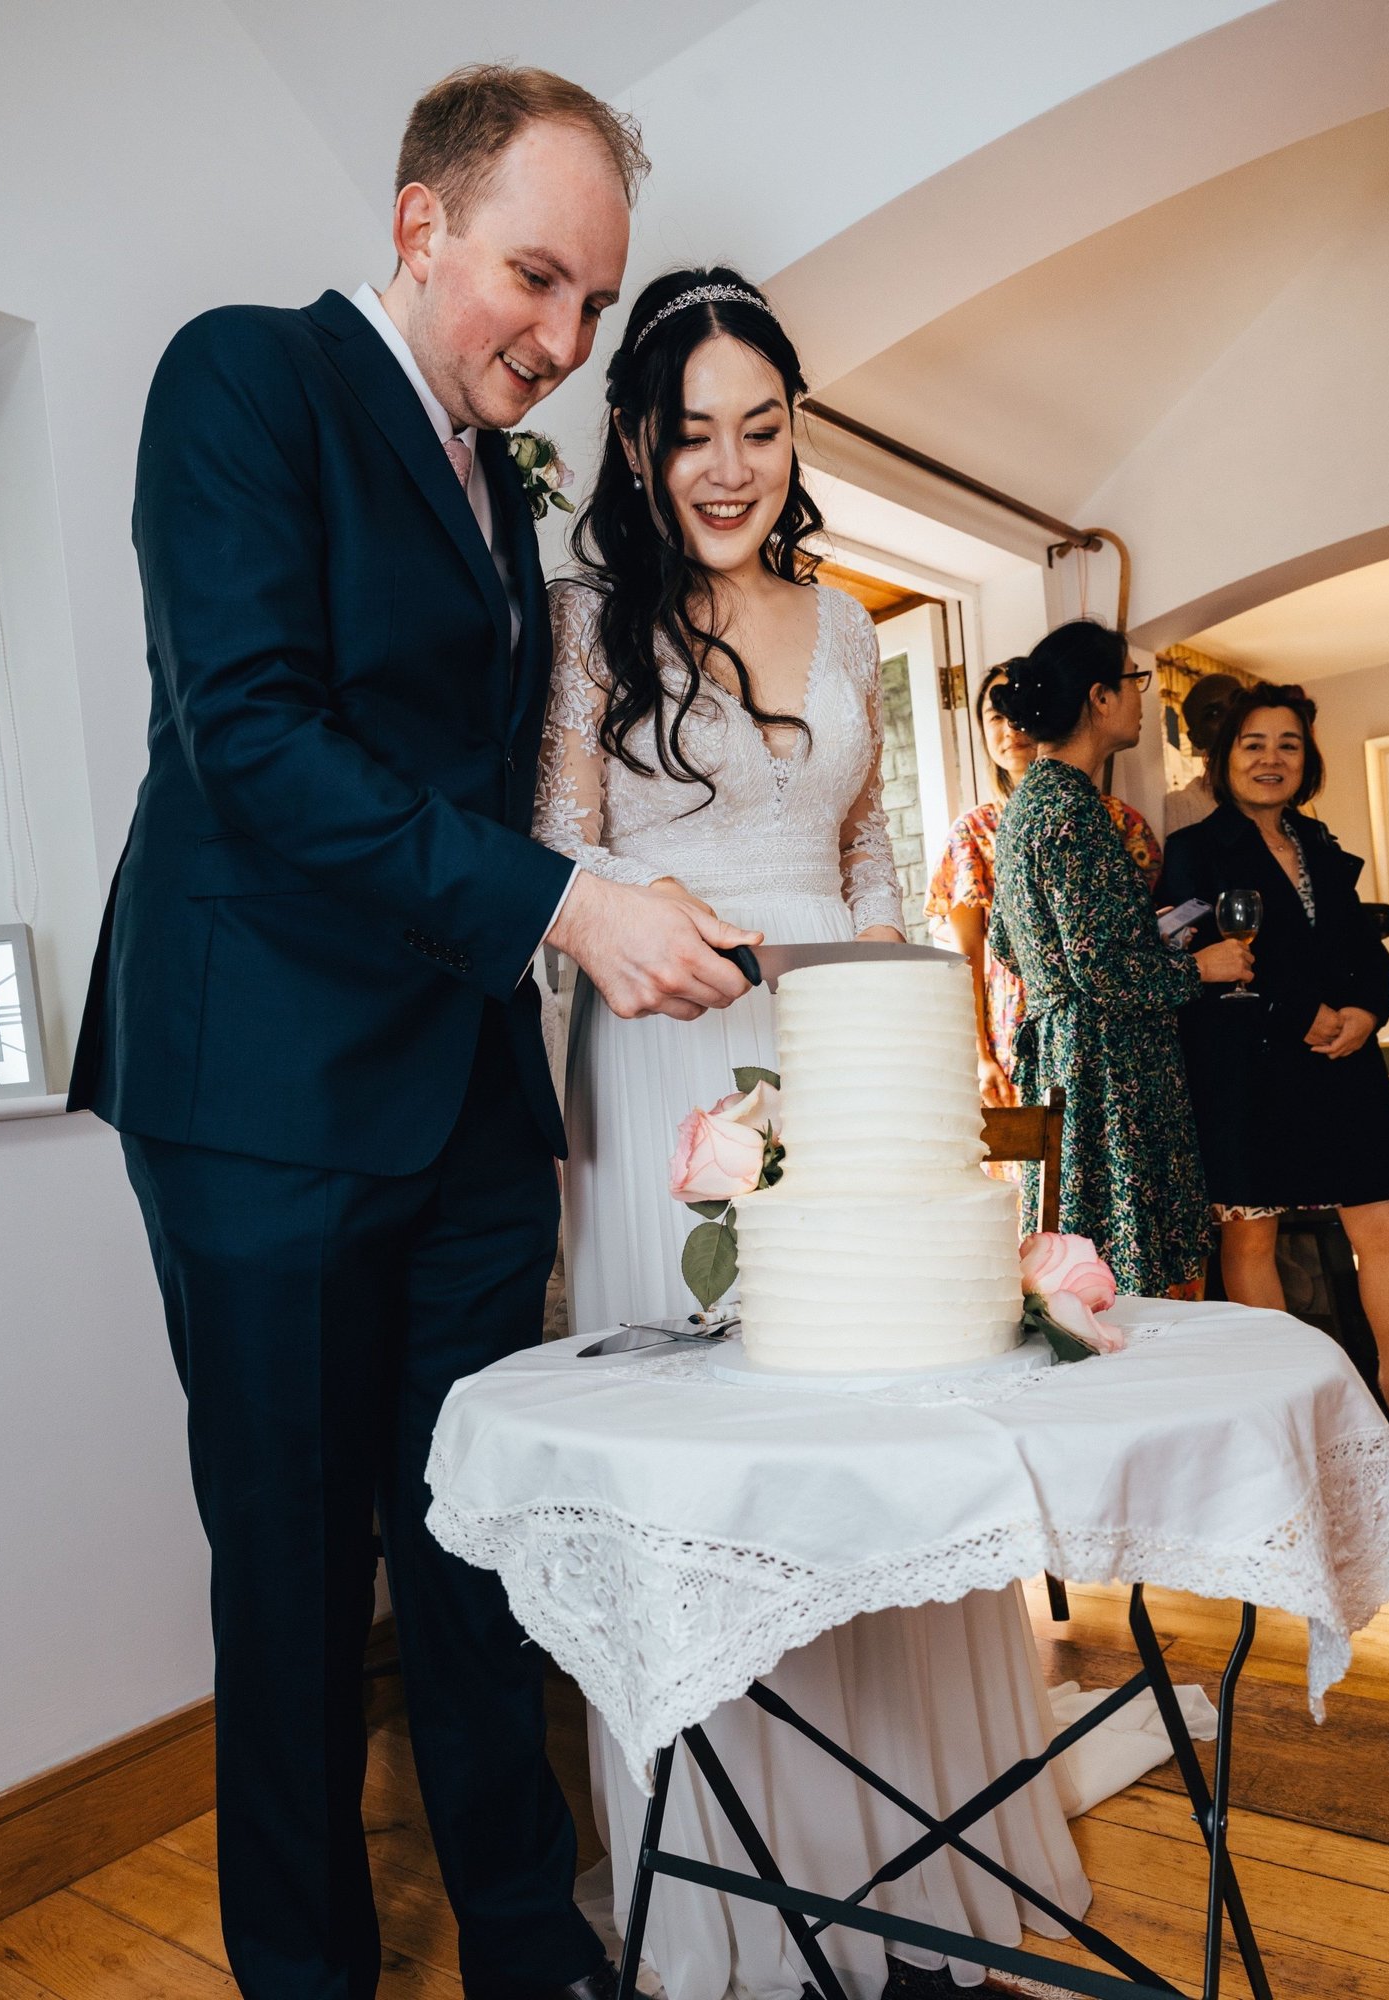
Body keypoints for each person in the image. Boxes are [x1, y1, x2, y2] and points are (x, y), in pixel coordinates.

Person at [68, 67, 763, 2000]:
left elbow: (491, 785)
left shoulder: (503, 488)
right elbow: (259, 742)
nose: (559, 342)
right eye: (534, 282)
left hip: (462, 1104)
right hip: (261, 1098)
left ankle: (528, 1951)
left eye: (592, 308)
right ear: (416, 225)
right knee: (295, 1588)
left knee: (486, 1555)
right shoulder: (242, 379)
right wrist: (571, 913)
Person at [534, 267, 1091, 2000]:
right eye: (691, 430)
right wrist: (689, 920)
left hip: (840, 1051)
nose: (727, 464)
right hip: (664, 1052)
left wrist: (886, 986)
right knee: (729, 1466)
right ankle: (746, 1918)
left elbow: (867, 856)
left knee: (878, 1432)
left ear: (795, 437)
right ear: (636, 439)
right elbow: (556, 849)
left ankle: (921, 1860)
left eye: (760, 428)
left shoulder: (844, 622)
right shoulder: (581, 620)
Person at [1159, 683, 1389, 1440]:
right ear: (1224, 758)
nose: (1271, 759)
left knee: (1386, 1230)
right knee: (1251, 1235)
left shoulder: (1326, 849)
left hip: (1345, 1061)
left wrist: (1368, 1011)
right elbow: (1205, 965)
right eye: (1254, 744)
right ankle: (1288, 1411)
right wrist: (1297, 1011)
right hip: (1250, 1072)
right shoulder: (1193, 853)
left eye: (1289, 745)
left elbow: (1366, 954)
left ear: (1307, 761)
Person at [986, 623, 1254, 1296]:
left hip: (1062, 1055)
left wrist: (1141, 934)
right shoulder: (1073, 808)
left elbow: (1010, 944)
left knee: (1082, 1262)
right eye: (1135, 682)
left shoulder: (1027, 804)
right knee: (1122, 1271)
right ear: (1100, 698)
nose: (1143, 699)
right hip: (1106, 1066)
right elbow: (1099, 971)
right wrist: (1203, 967)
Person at [927, 662, 1162, 1108]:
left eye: (1017, 710)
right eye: (995, 716)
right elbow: (966, 955)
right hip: (1014, 1027)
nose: (1010, 727)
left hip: (1112, 1022)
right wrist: (979, 1056)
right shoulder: (973, 833)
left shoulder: (1120, 822)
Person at [1163, 671, 1242, 835]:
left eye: (1239, 703)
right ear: (1196, 739)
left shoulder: (1276, 786)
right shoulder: (1185, 805)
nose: (1233, 717)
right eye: (1213, 714)